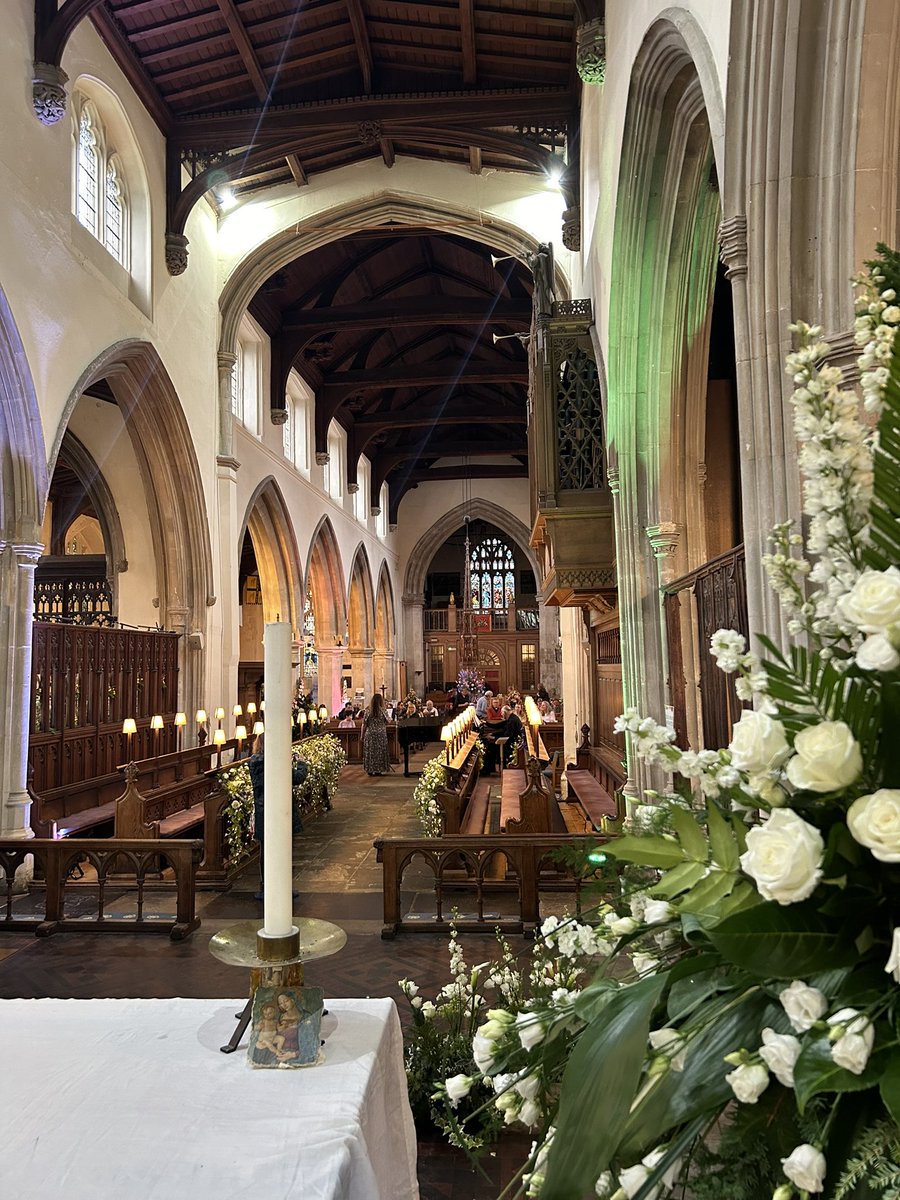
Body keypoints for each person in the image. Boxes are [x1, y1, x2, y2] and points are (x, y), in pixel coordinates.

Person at [248, 732, 308, 901]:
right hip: (279, 810)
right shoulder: (275, 762)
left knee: (265, 850)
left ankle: (264, 886)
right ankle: (281, 886)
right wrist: (301, 763)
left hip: (262, 809)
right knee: (283, 848)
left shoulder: (254, 762)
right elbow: (296, 778)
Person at [362, 693, 391, 776]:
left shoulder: (367, 710)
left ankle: (370, 769)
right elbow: (388, 721)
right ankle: (379, 769)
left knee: (370, 751)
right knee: (379, 751)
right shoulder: (383, 710)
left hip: (370, 733)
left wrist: (362, 735)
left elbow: (364, 724)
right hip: (380, 734)